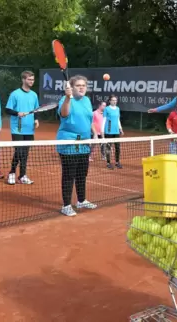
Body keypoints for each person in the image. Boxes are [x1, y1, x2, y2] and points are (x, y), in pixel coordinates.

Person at [57, 75, 98, 217]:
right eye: (78, 85)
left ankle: (81, 200)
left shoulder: (87, 100)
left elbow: (89, 119)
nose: (81, 87)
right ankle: (66, 205)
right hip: (68, 143)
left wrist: (95, 133)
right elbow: (64, 114)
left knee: (82, 174)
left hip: (84, 144)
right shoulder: (65, 99)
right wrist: (68, 98)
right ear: (72, 88)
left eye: (84, 85)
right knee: (69, 175)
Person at [5, 71, 39, 185]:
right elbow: (8, 109)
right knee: (19, 152)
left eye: (32, 79)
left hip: (29, 128)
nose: (31, 81)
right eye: (29, 79)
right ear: (23, 80)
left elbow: (36, 109)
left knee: (25, 153)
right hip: (17, 128)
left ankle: (23, 175)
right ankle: (12, 173)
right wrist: (17, 113)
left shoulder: (34, 95)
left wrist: (36, 119)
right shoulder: (15, 94)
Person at [102, 95, 124, 169]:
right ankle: (108, 163)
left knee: (118, 147)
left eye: (115, 100)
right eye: (113, 100)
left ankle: (117, 162)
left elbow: (118, 120)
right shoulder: (106, 109)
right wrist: (102, 131)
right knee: (108, 148)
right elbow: (104, 120)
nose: (114, 101)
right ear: (110, 101)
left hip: (116, 131)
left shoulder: (118, 109)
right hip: (108, 131)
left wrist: (120, 129)